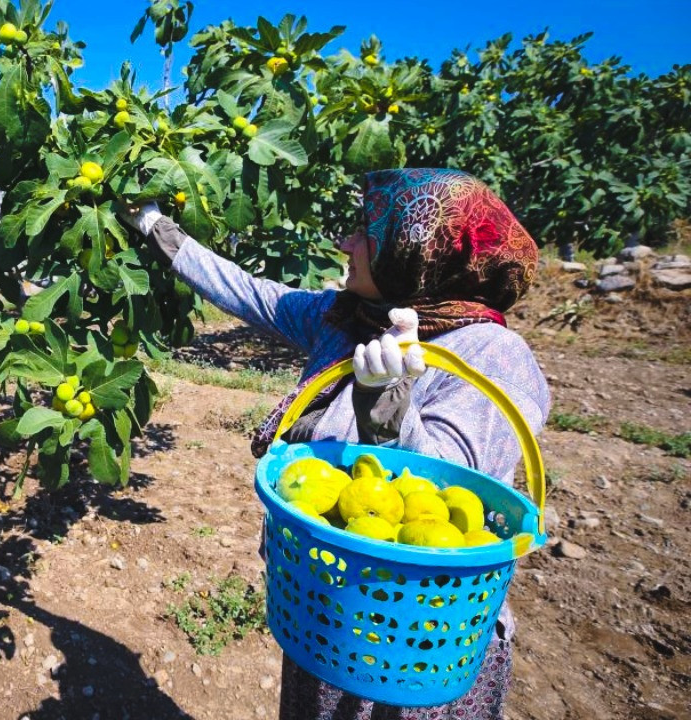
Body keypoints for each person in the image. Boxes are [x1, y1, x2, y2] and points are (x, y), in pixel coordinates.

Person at [119, 168, 550, 720]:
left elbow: (445, 495)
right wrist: (159, 230)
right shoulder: (346, 320)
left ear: (411, 253)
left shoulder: (491, 355)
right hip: (327, 613)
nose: (343, 242)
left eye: (364, 233)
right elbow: (252, 295)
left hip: (420, 637)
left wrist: (389, 411)